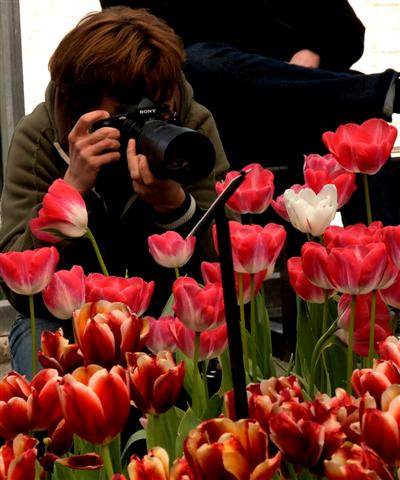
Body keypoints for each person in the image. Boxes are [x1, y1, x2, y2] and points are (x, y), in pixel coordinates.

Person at [0, 7, 230, 377]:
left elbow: (227, 264)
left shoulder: (191, 125)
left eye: (157, 107)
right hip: (65, 320)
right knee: (49, 385)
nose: (146, 121)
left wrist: (176, 208)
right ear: (83, 102)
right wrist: (72, 190)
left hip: (166, 314)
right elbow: (18, 285)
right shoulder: (40, 138)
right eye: (128, 111)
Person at [100, 0, 400, 225]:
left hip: (299, 107)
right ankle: (383, 91)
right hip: (217, 118)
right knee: (197, 60)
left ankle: (383, 276)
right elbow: (135, 47)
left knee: (361, 119)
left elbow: (347, 30)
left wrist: (314, 51)